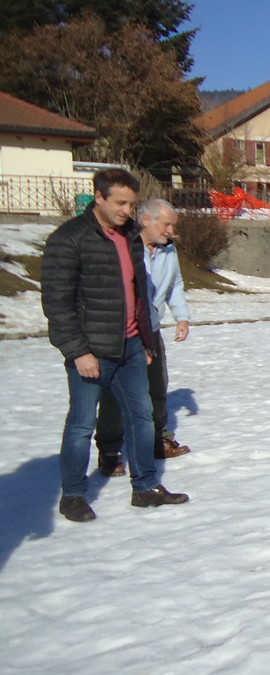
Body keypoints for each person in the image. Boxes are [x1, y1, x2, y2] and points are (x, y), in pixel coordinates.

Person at [41, 168, 189, 522]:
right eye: (120, 203)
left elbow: (140, 294)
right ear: (99, 197)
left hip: (132, 346)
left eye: (131, 204)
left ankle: (145, 487)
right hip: (91, 350)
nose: (127, 211)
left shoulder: (131, 237)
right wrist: (78, 351)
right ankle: (73, 495)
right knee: (81, 425)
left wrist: (146, 341)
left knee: (142, 418)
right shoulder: (70, 238)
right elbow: (56, 303)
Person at [95, 199, 192, 477]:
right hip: (123, 332)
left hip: (151, 329)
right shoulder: (123, 245)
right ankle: (109, 450)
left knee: (157, 386)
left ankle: (157, 439)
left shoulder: (168, 249)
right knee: (115, 394)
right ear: (146, 220)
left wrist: (181, 316)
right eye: (166, 224)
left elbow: (175, 284)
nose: (171, 230)